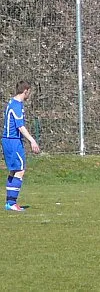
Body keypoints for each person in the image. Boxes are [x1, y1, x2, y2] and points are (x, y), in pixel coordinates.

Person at [2, 81, 40, 211]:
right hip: (13, 141)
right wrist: (32, 140)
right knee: (20, 170)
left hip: (9, 140)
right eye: (29, 91)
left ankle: (9, 203)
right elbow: (20, 126)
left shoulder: (11, 103)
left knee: (14, 170)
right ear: (25, 91)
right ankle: (12, 203)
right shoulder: (17, 105)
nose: (29, 94)